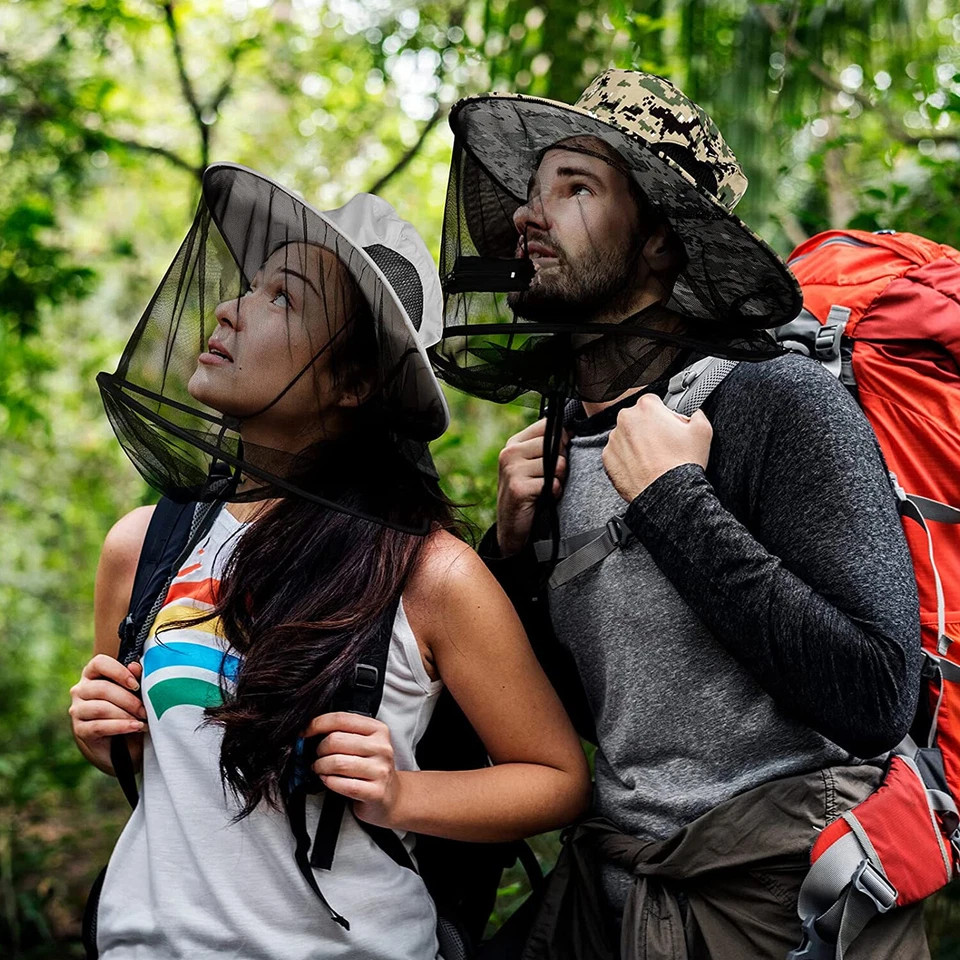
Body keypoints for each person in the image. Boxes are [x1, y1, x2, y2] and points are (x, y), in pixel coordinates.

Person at [430, 72, 928, 958]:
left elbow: (875, 692)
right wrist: (506, 561)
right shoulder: (554, 446)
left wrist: (676, 503)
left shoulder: (775, 398)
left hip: (780, 907)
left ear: (660, 242)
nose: (526, 218)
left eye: (574, 188)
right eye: (531, 193)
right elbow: (571, 718)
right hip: (616, 893)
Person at [69, 163, 589, 960]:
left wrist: (404, 793)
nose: (229, 311)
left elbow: (556, 777)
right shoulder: (141, 546)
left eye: (283, 298)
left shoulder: (431, 574)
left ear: (352, 382)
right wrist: (107, 731)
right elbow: (161, 767)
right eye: (252, 285)